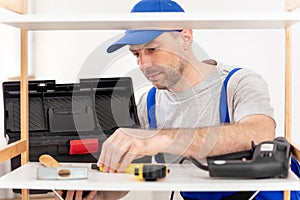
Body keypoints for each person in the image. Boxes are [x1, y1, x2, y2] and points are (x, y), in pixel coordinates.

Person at [57, 0, 276, 199]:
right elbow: (126, 175)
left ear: (185, 38)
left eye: (152, 49)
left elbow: (260, 133)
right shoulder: (149, 104)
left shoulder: (238, 83)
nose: (143, 64)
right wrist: (96, 194)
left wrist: (160, 139)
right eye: (136, 54)